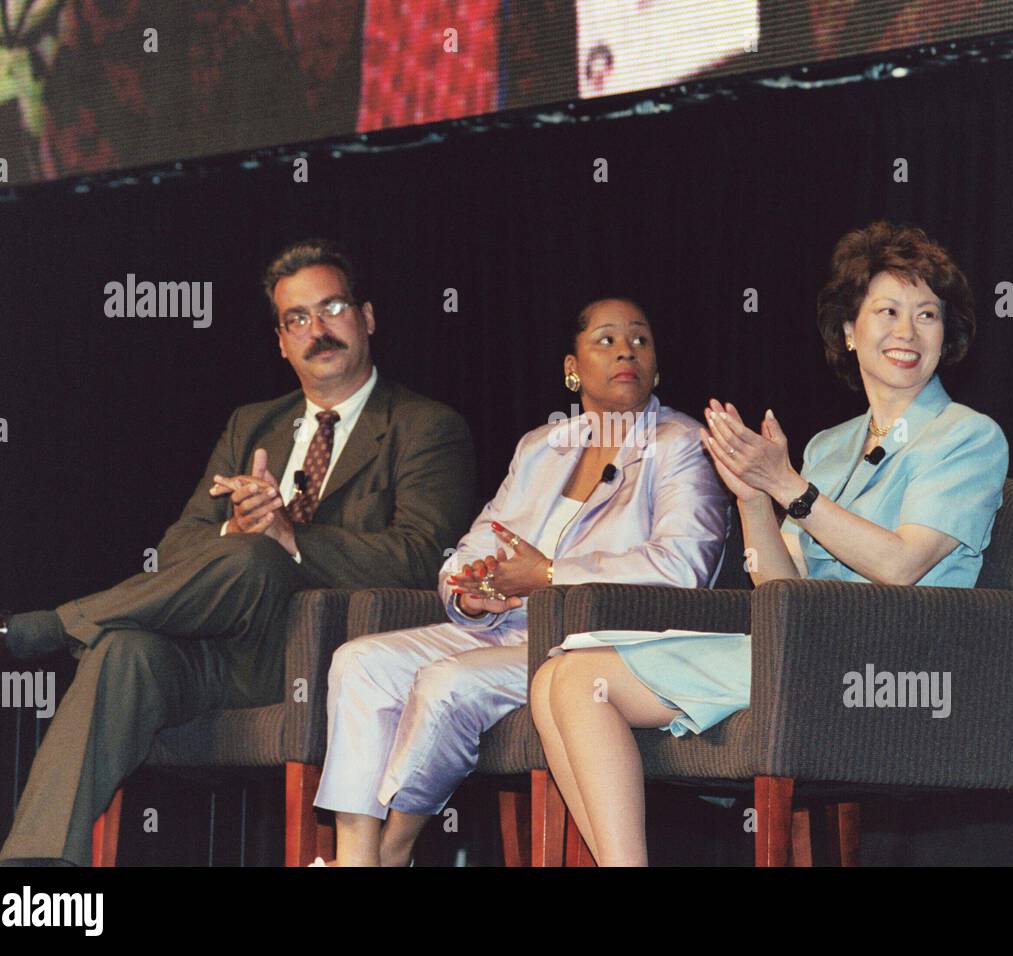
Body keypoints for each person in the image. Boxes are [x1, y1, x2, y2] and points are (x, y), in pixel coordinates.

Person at [0, 239, 476, 866]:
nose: (317, 330)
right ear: (281, 342)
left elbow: (424, 556)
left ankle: (47, 627)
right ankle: (36, 876)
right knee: (124, 650)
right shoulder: (251, 425)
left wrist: (288, 538)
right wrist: (235, 526)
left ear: (366, 317)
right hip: (214, 650)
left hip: (320, 658)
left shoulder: (426, 426)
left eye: (331, 308)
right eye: (296, 319)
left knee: (260, 558)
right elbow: (178, 548)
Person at [530, 221, 1010, 866]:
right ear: (848, 330)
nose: (907, 332)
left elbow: (900, 566)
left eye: (928, 315)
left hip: (890, 662)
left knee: (585, 678)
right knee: (555, 677)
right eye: (888, 311)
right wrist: (753, 497)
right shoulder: (830, 446)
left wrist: (789, 487)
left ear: (947, 334)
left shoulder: (966, 436)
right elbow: (779, 588)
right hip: (806, 643)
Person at [312, 297, 730, 866]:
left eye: (641, 339)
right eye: (605, 340)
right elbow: (479, 541)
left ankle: (391, 852)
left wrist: (551, 577)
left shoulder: (679, 446)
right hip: (503, 628)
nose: (626, 350)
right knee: (358, 662)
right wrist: (471, 591)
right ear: (572, 367)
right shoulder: (541, 446)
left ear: (657, 365)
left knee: (446, 682)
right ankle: (355, 853)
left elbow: (684, 570)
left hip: (588, 648)